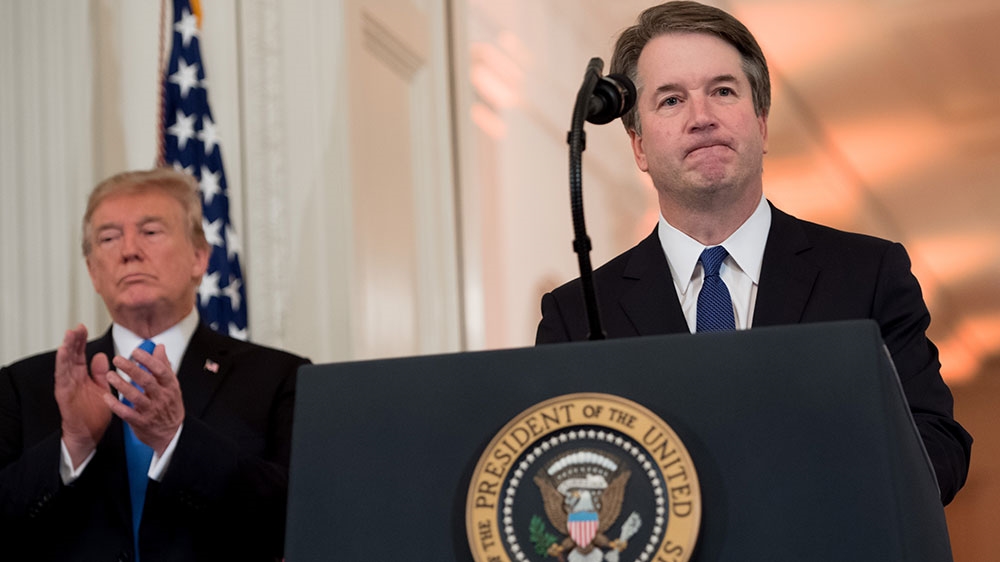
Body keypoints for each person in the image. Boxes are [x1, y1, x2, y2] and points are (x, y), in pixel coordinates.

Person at [535, 1, 971, 505]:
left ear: (761, 124)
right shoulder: (575, 314)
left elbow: (939, 444)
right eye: (671, 101)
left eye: (722, 91)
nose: (701, 118)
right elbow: (565, 476)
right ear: (637, 145)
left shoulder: (870, 273)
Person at [0, 168, 309, 560]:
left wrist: (175, 440)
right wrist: (72, 446)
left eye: (150, 232)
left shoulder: (279, 378)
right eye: (109, 238)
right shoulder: (23, 385)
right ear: (94, 272)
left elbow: (292, 519)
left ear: (199, 258)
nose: (129, 250)